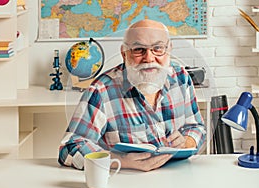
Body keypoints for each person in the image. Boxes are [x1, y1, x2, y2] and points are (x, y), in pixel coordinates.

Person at [58, 19, 206, 172]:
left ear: (169, 49)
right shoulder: (102, 90)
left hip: (176, 179)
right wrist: (119, 161)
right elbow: (69, 148)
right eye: (138, 49)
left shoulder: (181, 78)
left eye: (158, 48)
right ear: (124, 53)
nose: (149, 58)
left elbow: (197, 127)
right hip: (125, 183)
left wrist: (187, 142)